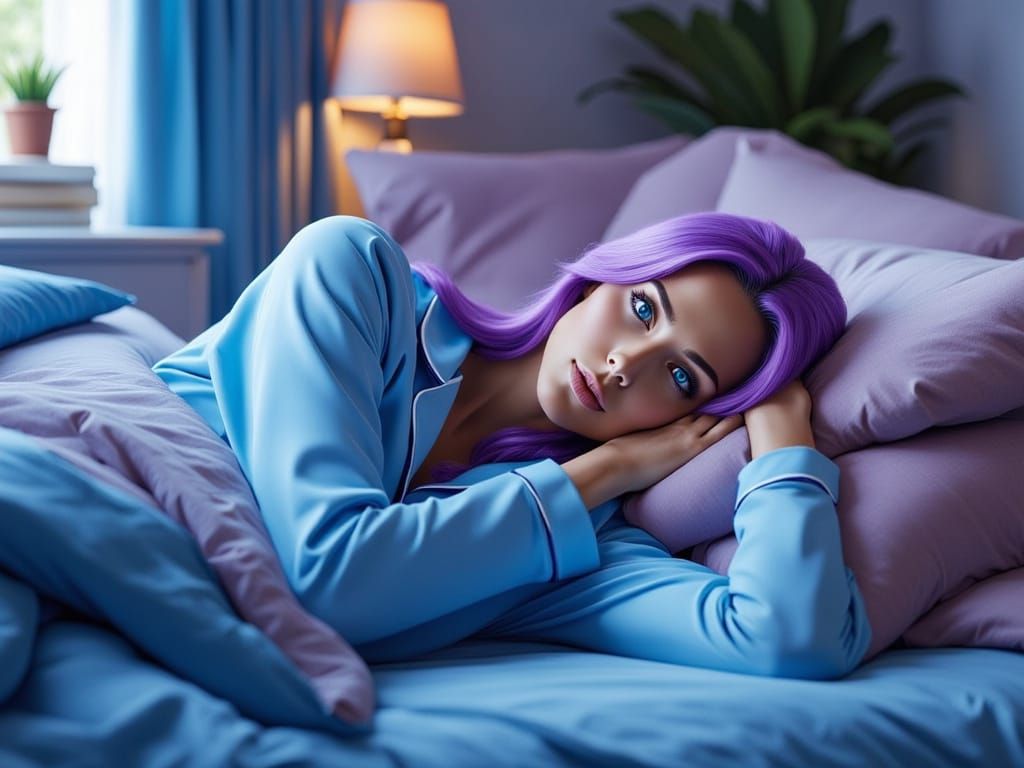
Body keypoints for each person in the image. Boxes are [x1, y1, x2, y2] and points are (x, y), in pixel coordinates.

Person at [154, 212, 871, 679]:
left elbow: (787, 637)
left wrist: (782, 435)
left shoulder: (584, 535)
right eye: (644, 309)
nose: (627, 365)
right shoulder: (351, 273)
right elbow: (328, 568)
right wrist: (612, 467)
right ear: (600, 279)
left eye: (682, 376)